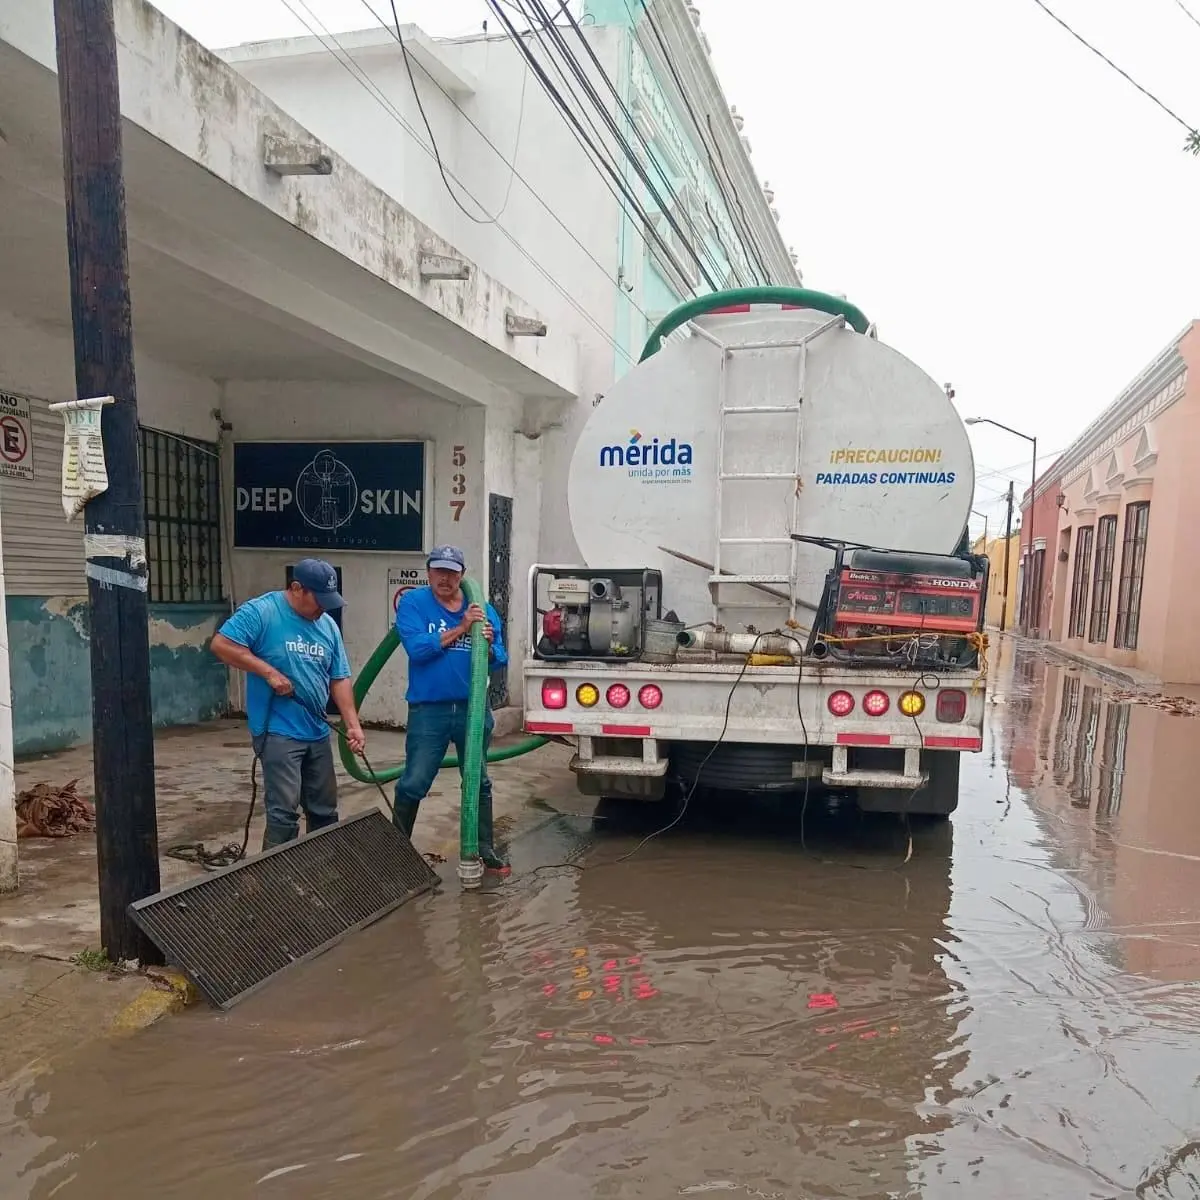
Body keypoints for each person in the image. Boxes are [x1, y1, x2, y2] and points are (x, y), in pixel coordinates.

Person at [211, 558, 366, 850]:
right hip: (278, 731)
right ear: (297, 589)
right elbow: (221, 645)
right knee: (283, 812)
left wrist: (353, 725)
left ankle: (322, 870)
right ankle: (276, 884)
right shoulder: (262, 612)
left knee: (324, 811)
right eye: (318, 600)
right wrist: (268, 672)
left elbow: (340, 678)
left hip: (317, 730)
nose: (323, 608)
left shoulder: (327, 625)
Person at [393, 545, 510, 875]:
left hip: (474, 709)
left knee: (479, 780)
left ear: (462, 574)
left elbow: (501, 656)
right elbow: (417, 650)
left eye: (452, 572)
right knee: (414, 782)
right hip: (430, 710)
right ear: (429, 572)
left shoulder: (482, 608)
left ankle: (484, 849)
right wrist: (461, 628)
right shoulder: (415, 604)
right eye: (439, 571)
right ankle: (397, 850)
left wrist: (487, 643)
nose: (445, 578)